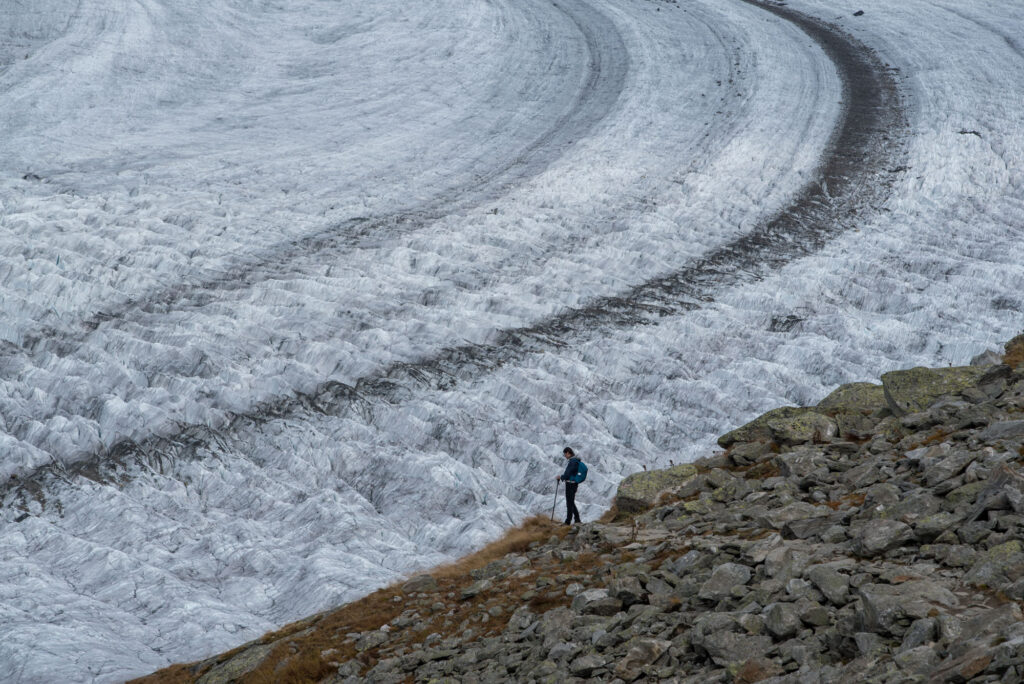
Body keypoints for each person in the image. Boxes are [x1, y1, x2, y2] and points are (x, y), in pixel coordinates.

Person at [556, 447, 582, 525]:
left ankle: (568, 521)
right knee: (571, 502)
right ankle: (577, 519)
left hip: (570, 484)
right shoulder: (575, 461)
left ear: (568, 453)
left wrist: (561, 477)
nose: (565, 456)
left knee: (569, 503)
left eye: (565, 454)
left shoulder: (573, 462)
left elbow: (568, 473)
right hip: (574, 484)